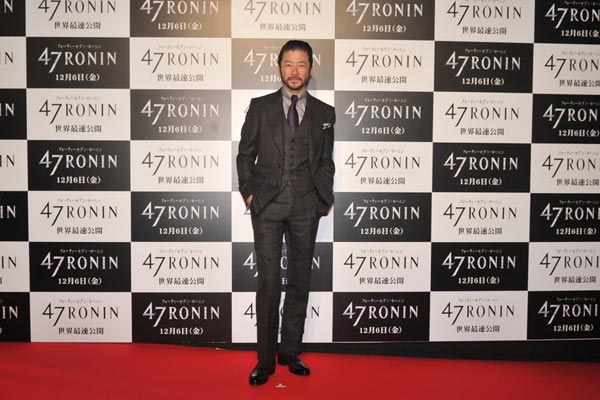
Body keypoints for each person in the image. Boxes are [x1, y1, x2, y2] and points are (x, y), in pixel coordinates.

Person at [236, 40, 335, 386]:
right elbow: (245, 155)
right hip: (266, 204)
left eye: (301, 64)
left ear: (310, 69)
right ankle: (265, 360)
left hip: (307, 205)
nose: (295, 71)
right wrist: (249, 194)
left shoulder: (325, 113)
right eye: (288, 64)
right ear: (279, 67)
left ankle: (290, 353)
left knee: (300, 279)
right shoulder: (260, 107)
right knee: (268, 282)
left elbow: (326, 161)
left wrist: (323, 196)